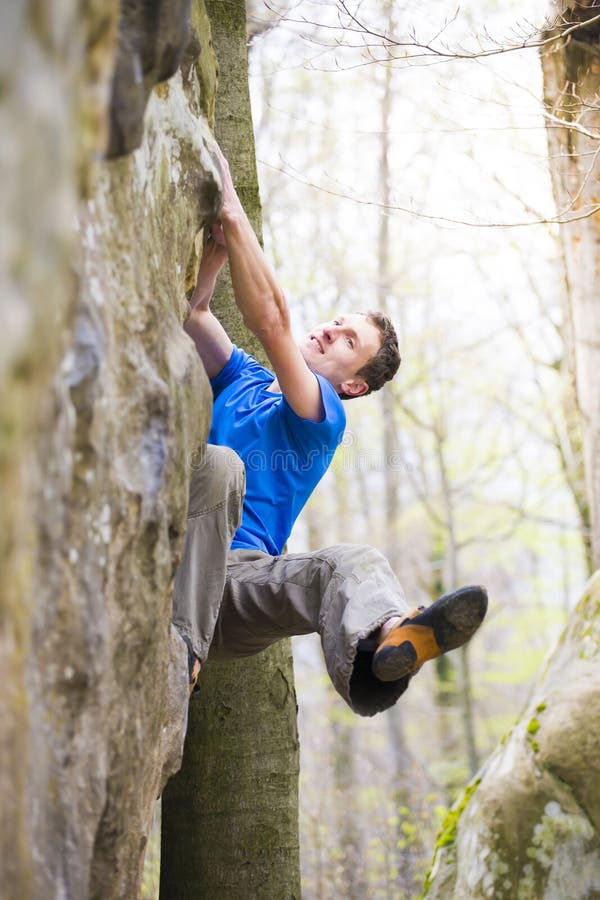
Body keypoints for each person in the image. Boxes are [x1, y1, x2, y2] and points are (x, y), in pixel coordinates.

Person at [172, 143, 487, 715]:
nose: (329, 332)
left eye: (348, 342)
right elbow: (195, 315)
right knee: (217, 467)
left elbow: (271, 318)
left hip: (237, 589)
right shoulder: (243, 378)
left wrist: (233, 211)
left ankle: (392, 637)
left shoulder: (321, 417)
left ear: (356, 385)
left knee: (350, 561)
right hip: (179, 556)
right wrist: (218, 252)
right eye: (337, 323)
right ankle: (180, 659)